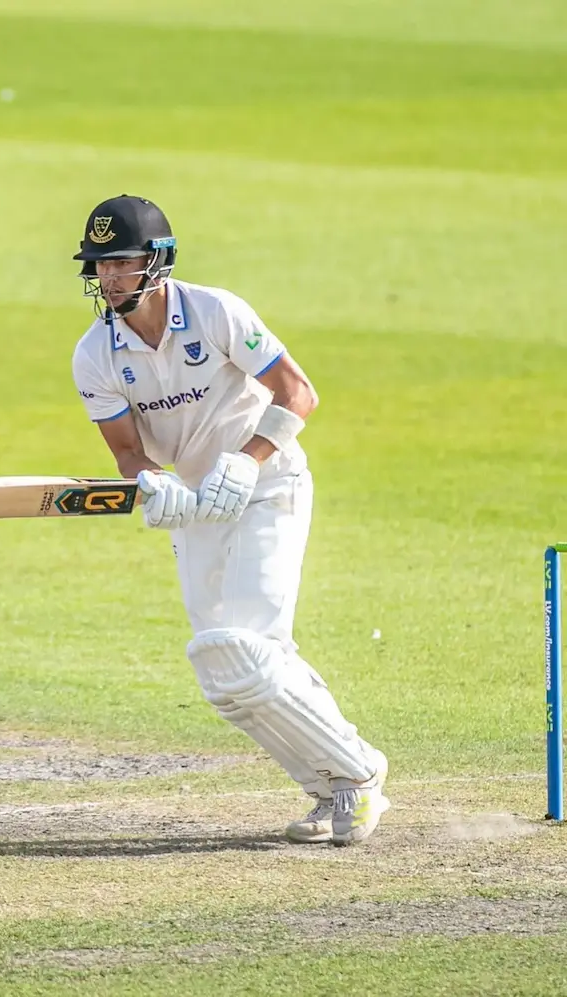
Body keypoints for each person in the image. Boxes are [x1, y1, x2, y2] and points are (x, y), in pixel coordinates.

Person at [71, 194, 390, 846]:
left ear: (157, 261)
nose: (110, 277)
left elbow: (298, 392)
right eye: (100, 265)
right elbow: (128, 453)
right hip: (196, 505)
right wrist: (153, 485)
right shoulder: (94, 355)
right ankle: (326, 787)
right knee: (223, 671)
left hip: (268, 484)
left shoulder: (215, 312)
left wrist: (246, 461)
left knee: (254, 647)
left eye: (122, 262)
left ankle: (358, 776)